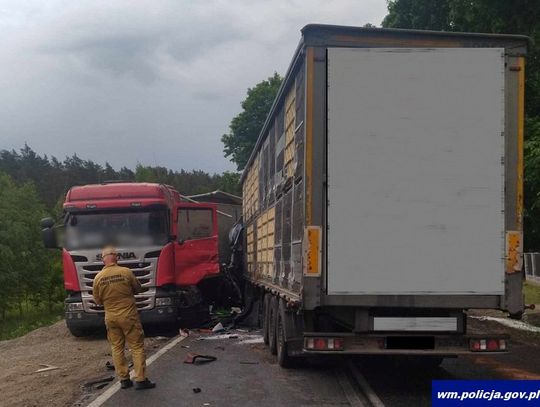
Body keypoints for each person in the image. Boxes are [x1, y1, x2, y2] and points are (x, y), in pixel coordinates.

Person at [93, 246, 156, 390]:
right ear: (116, 257)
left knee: (116, 347)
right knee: (137, 346)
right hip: (128, 316)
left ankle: (124, 380)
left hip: (110, 317)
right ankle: (140, 379)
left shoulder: (98, 278)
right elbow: (138, 289)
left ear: (103, 260)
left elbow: (97, 300)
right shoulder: (126, 272)